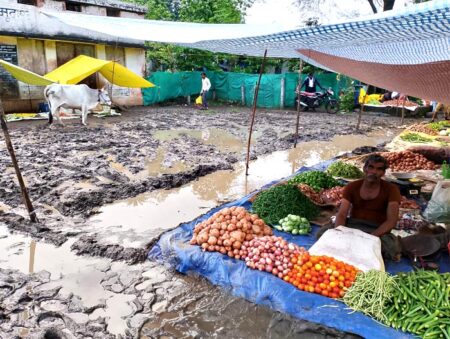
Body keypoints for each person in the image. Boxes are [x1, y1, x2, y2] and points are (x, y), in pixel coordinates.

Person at [319, 154, 402, 260]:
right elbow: (342, 213)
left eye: (379, 169)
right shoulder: (352, 187)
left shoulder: (391, 189)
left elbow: (391, 221)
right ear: (364, 169)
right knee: (323, 233)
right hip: (354, 224)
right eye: (371, 167)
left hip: (377, 228)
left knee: (392, 248)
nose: (374, 172)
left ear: (383, 173)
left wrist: (371, 237)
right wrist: (339, 231)